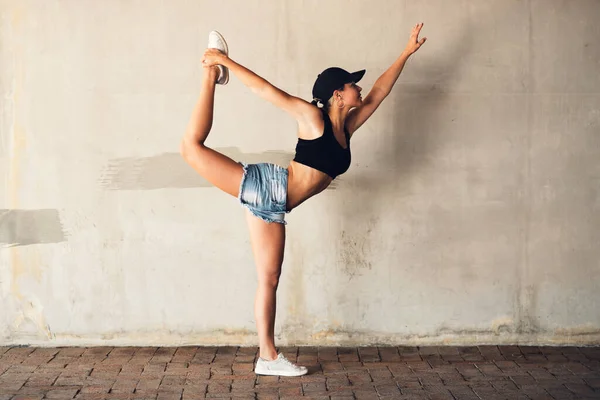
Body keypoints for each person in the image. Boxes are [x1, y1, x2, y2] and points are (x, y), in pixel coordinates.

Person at [181, 25, 427, 377]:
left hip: (275, 201)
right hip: (270, 189)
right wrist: (227, 60)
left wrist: (405, 53)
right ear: (337, 95)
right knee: (191, 149)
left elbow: (379, 93)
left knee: (269, 277)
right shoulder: (313, 119)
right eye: (351, 84)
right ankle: (211, 70)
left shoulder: (347, 126)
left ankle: (267, 356)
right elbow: (267, 91)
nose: (359, 87)